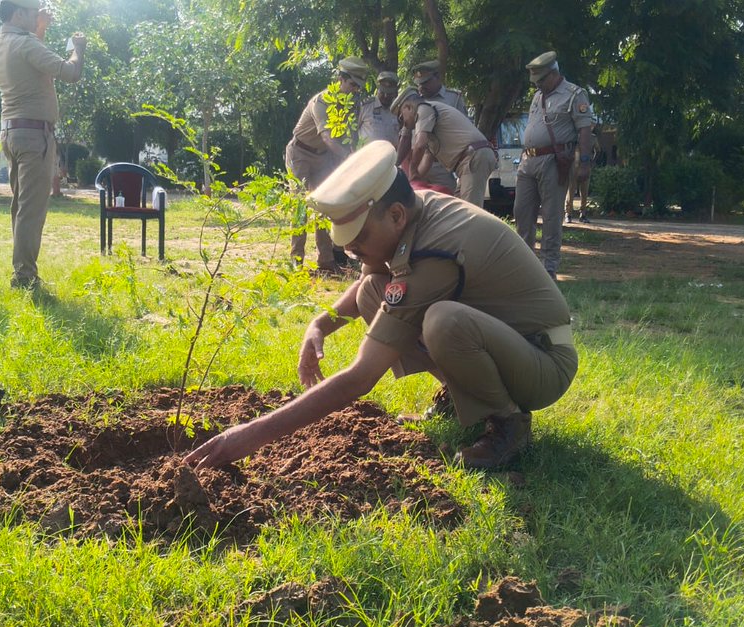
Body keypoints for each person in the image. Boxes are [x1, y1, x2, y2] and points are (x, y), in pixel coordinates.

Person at [183, 141, 577, 471]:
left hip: (543, 361)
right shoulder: (409, 214)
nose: (351, 250)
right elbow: (366, 284)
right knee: (375, 289)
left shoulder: (433, 251)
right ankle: (462, 393)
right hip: (510, 345)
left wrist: (248, 437)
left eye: (358, 239)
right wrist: (320, 323)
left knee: (443, 321)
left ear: (395, 215)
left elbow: (360, 377)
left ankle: (508, 423)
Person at [0, 0, 86, 290]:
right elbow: (70, 73)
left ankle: (22, 270)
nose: (37, 16)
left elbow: (34, 63)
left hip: (12, 134)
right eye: (33, 13)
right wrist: (78, 49)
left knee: (21, 205)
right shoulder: (26, 45)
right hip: (34, 137)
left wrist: (39, 28)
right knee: (31, 209)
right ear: (18, 14)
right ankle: (24, 277)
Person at [513, 51, 594, 280]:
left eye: (541, 80)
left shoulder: (575, 94)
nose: (537, 85)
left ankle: (548, 270)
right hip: (528, 160)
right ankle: (524, 266)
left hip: (553, 162)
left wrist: (584, 162)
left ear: (554, 74)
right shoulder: (537, 96)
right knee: (521, 213)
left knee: (551, 217)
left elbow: (585, 130)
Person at [285, 56, 368, 274]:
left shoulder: (351, 104)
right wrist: (349, 159)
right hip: (300, 152)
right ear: (341, 79)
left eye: (358, 87)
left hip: (324, 157)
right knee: (301, 206)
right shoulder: (321, 101)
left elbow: (349, 137)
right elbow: (328, 138)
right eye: (352, 85)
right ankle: (297, 259)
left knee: (324, 206)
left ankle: (327, 261)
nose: (355, 90)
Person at [394, 91, 496, 207]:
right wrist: (413, 180)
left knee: (470, 213)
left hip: (473, 157)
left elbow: (420, 145)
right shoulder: (430, 125)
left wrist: (412, 169)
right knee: (459, 209)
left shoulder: (424, 108)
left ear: (409, 107)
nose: (403, 124)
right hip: (470, 159)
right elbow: (427, 159)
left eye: (402, 117)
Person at [395, 60, 469, 193]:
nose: (421, 88)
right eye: (418, 84)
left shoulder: (453, 99)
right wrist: (395, 165)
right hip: (417, 161)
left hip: (441, 164)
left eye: (425, 83)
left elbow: (464, 133)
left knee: (447, 201)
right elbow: (406, 136)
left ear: (438, 77)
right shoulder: (415, 100)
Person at [357, 71, 401, 147]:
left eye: (389, 93)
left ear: (395, 92)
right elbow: (352, 132)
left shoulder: (399, 111)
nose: (386, 96)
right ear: (378, 89)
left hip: (390, 157)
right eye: (382, 92)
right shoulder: (365, 106)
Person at [565, 133, 599, 223]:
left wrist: (592, 162)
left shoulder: (592, 138)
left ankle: (583, 214)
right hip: (574, 167)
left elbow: (598, 150)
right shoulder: (574, 136)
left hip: (586, 167)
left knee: (584, 192)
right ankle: (568, 213)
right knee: (571, 191)